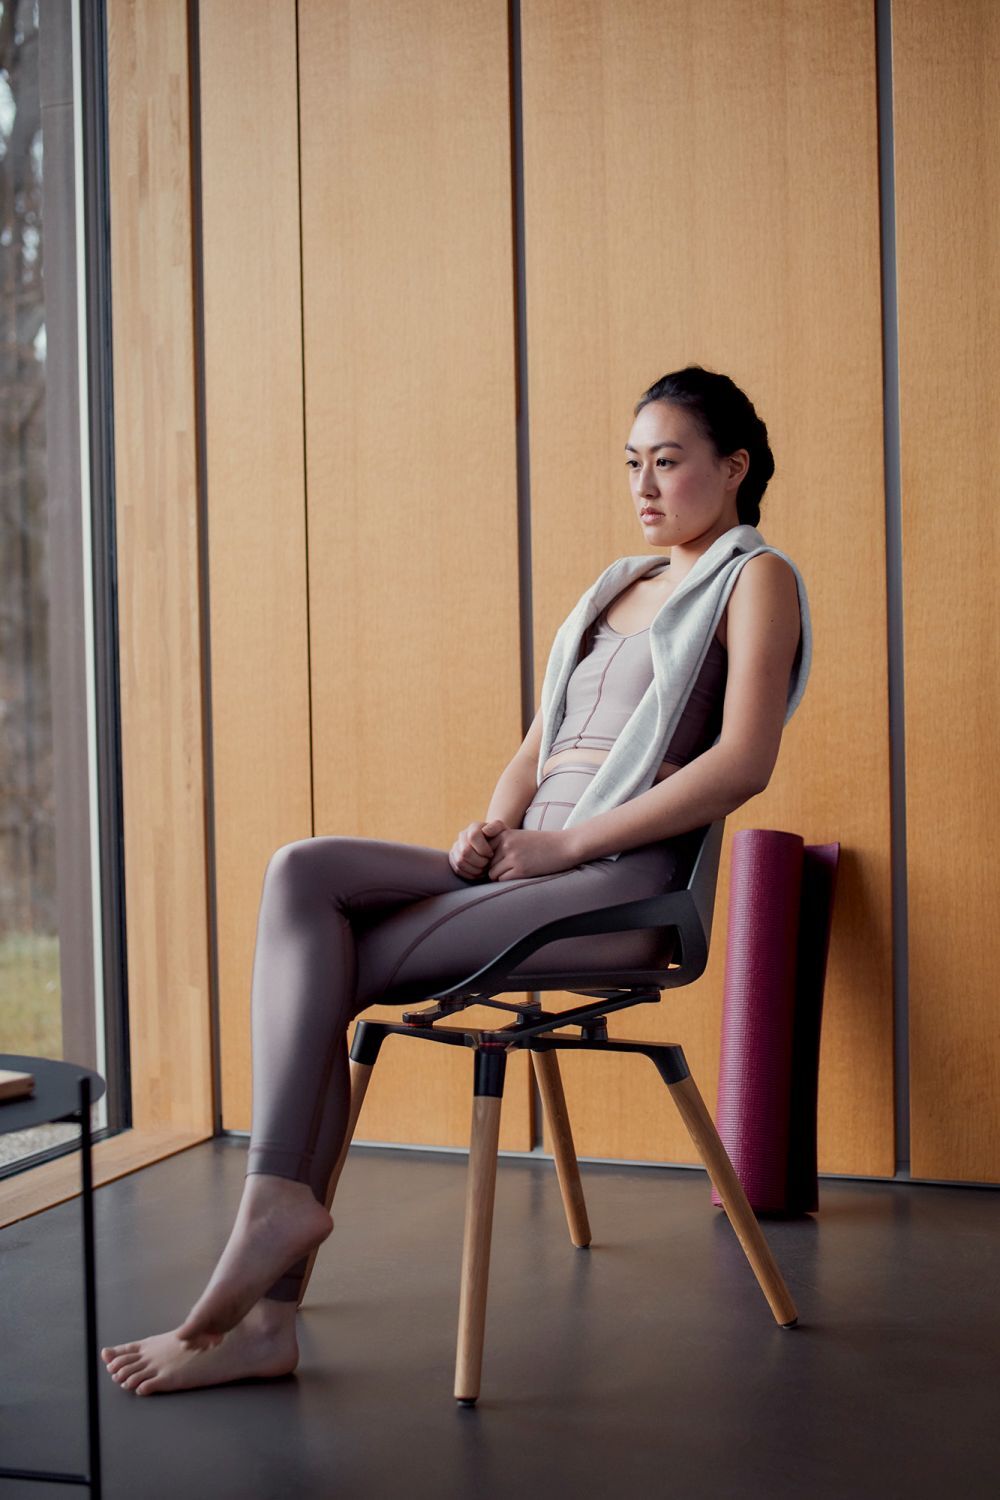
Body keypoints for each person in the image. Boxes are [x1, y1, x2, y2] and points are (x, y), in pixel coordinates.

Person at [101, 365, 806, 1395]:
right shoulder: (617, 583)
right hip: (527, 865)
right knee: (304, 872)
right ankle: (272, 1231)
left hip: (619, 887)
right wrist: (492, 824)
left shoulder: (755, 578)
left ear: (732, 467)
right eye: (631, 465)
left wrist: (565, 848)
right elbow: (541, 743)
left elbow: (741, 762)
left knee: (327, 972)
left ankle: (268, 1292)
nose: (644, 486)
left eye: (668, 462)